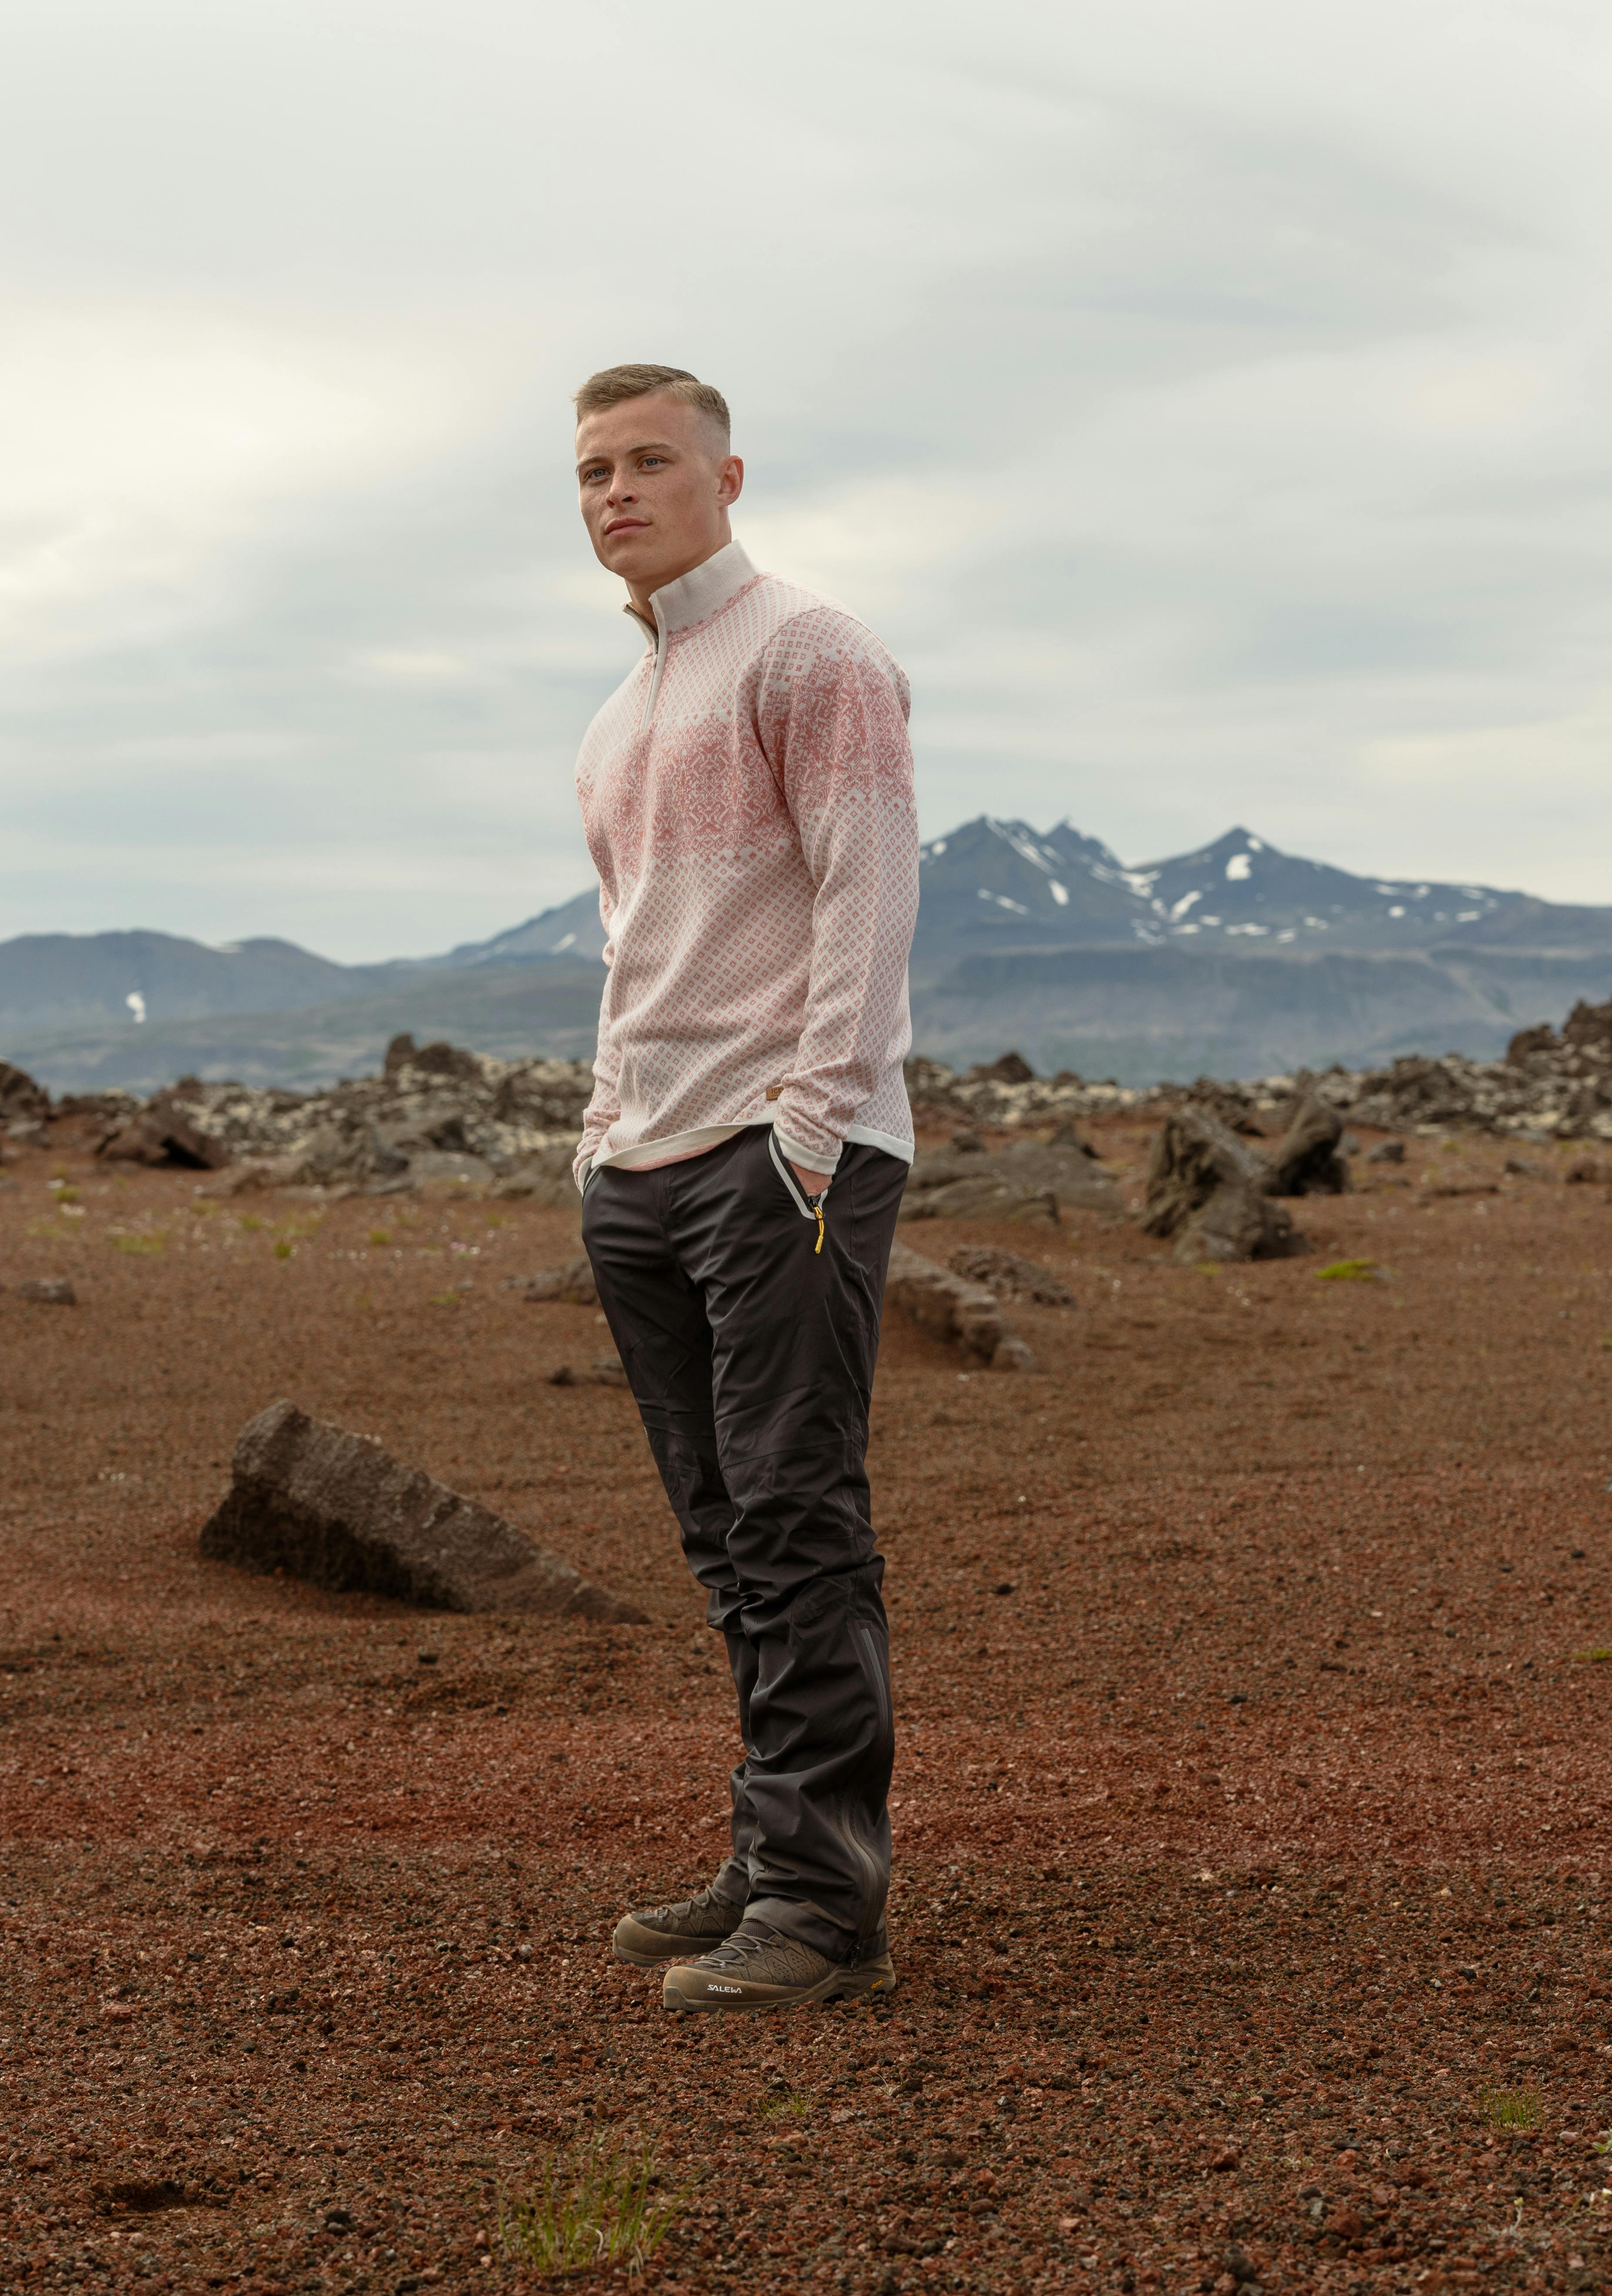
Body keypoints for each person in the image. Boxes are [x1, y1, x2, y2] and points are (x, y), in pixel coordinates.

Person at [564, 363, 921, 2011]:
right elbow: (643, 942)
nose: (615, 494)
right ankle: (777, 1847)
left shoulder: (810, 649)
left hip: (782, 1159)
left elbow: (868, 885)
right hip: (643, 1161)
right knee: (726, 1538)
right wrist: (599, 1129)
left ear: (728, 475)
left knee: (793, 1520)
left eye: (648, 463)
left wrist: (816, 1120)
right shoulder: (619, 715)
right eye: (591, 473)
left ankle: (823, 1904)